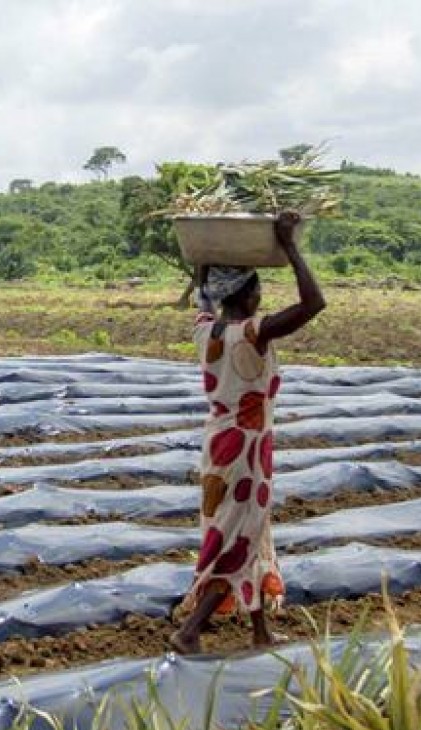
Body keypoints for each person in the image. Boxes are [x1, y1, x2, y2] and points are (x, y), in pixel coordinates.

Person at [170, 212, 326, 655]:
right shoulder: (253, 333)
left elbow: (203, 292)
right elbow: (314, 304)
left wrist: (205, 254)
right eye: (257, 287)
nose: (262, 295)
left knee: (250, 531)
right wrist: (289, 246)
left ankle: (259, 631)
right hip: (244, 450)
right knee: (237, 537)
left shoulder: (206, 330)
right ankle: (190, 630)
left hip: (223, 442)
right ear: (246, 294)